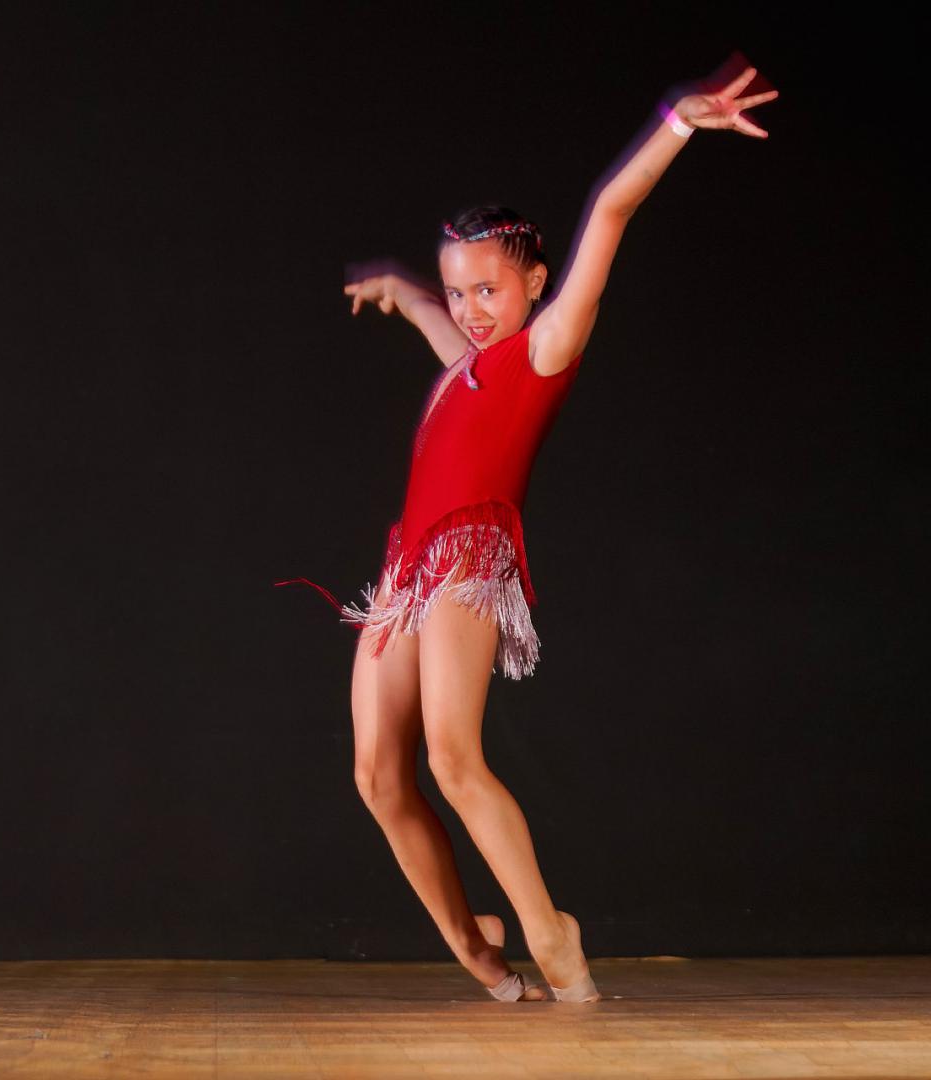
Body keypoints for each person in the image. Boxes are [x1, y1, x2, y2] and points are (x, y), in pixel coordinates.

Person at [281, 63, 778, 1002]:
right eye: (458, 293)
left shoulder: (545, 349)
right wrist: (404, 290)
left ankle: (554, 938)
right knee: (377, 776)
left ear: (536, 284)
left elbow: (612, 211)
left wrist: (678, 121)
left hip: (470, 559)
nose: (471, 311)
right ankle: (478, 947)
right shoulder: (464, 364)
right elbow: (438, 326)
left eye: (488, 291)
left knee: (451, 758)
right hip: (409, 565)